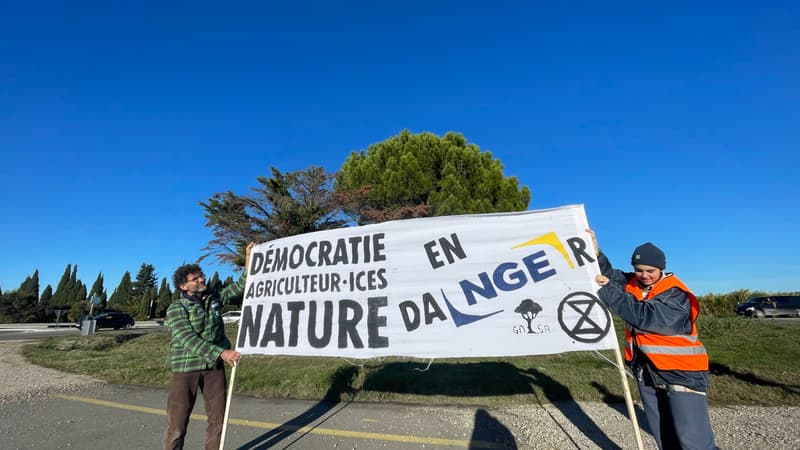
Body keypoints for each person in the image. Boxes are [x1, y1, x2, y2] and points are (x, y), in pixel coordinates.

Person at [588, 230, 716, 450]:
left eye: (650, 271)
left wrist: (609, 291)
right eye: (639, 270)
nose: (644, 275)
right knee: (664, 436)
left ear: (661, 268)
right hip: (647, 372)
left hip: (682, 375)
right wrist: (595, 252)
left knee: (693, 441)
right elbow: (611, 275)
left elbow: (643, 316)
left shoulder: (675, 294)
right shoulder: (634, 284)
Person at [163, 242, 255, 450]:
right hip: (186, 368)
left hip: (214, 368)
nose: (202, 279)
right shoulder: (176, 308)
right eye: (195, 279)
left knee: (217, 420)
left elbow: (240, 287)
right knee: (177, 424)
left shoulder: (214, 299)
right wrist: (221, 352)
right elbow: (188, 339)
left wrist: (248, 259)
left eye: (201, 275)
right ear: (183, 287)